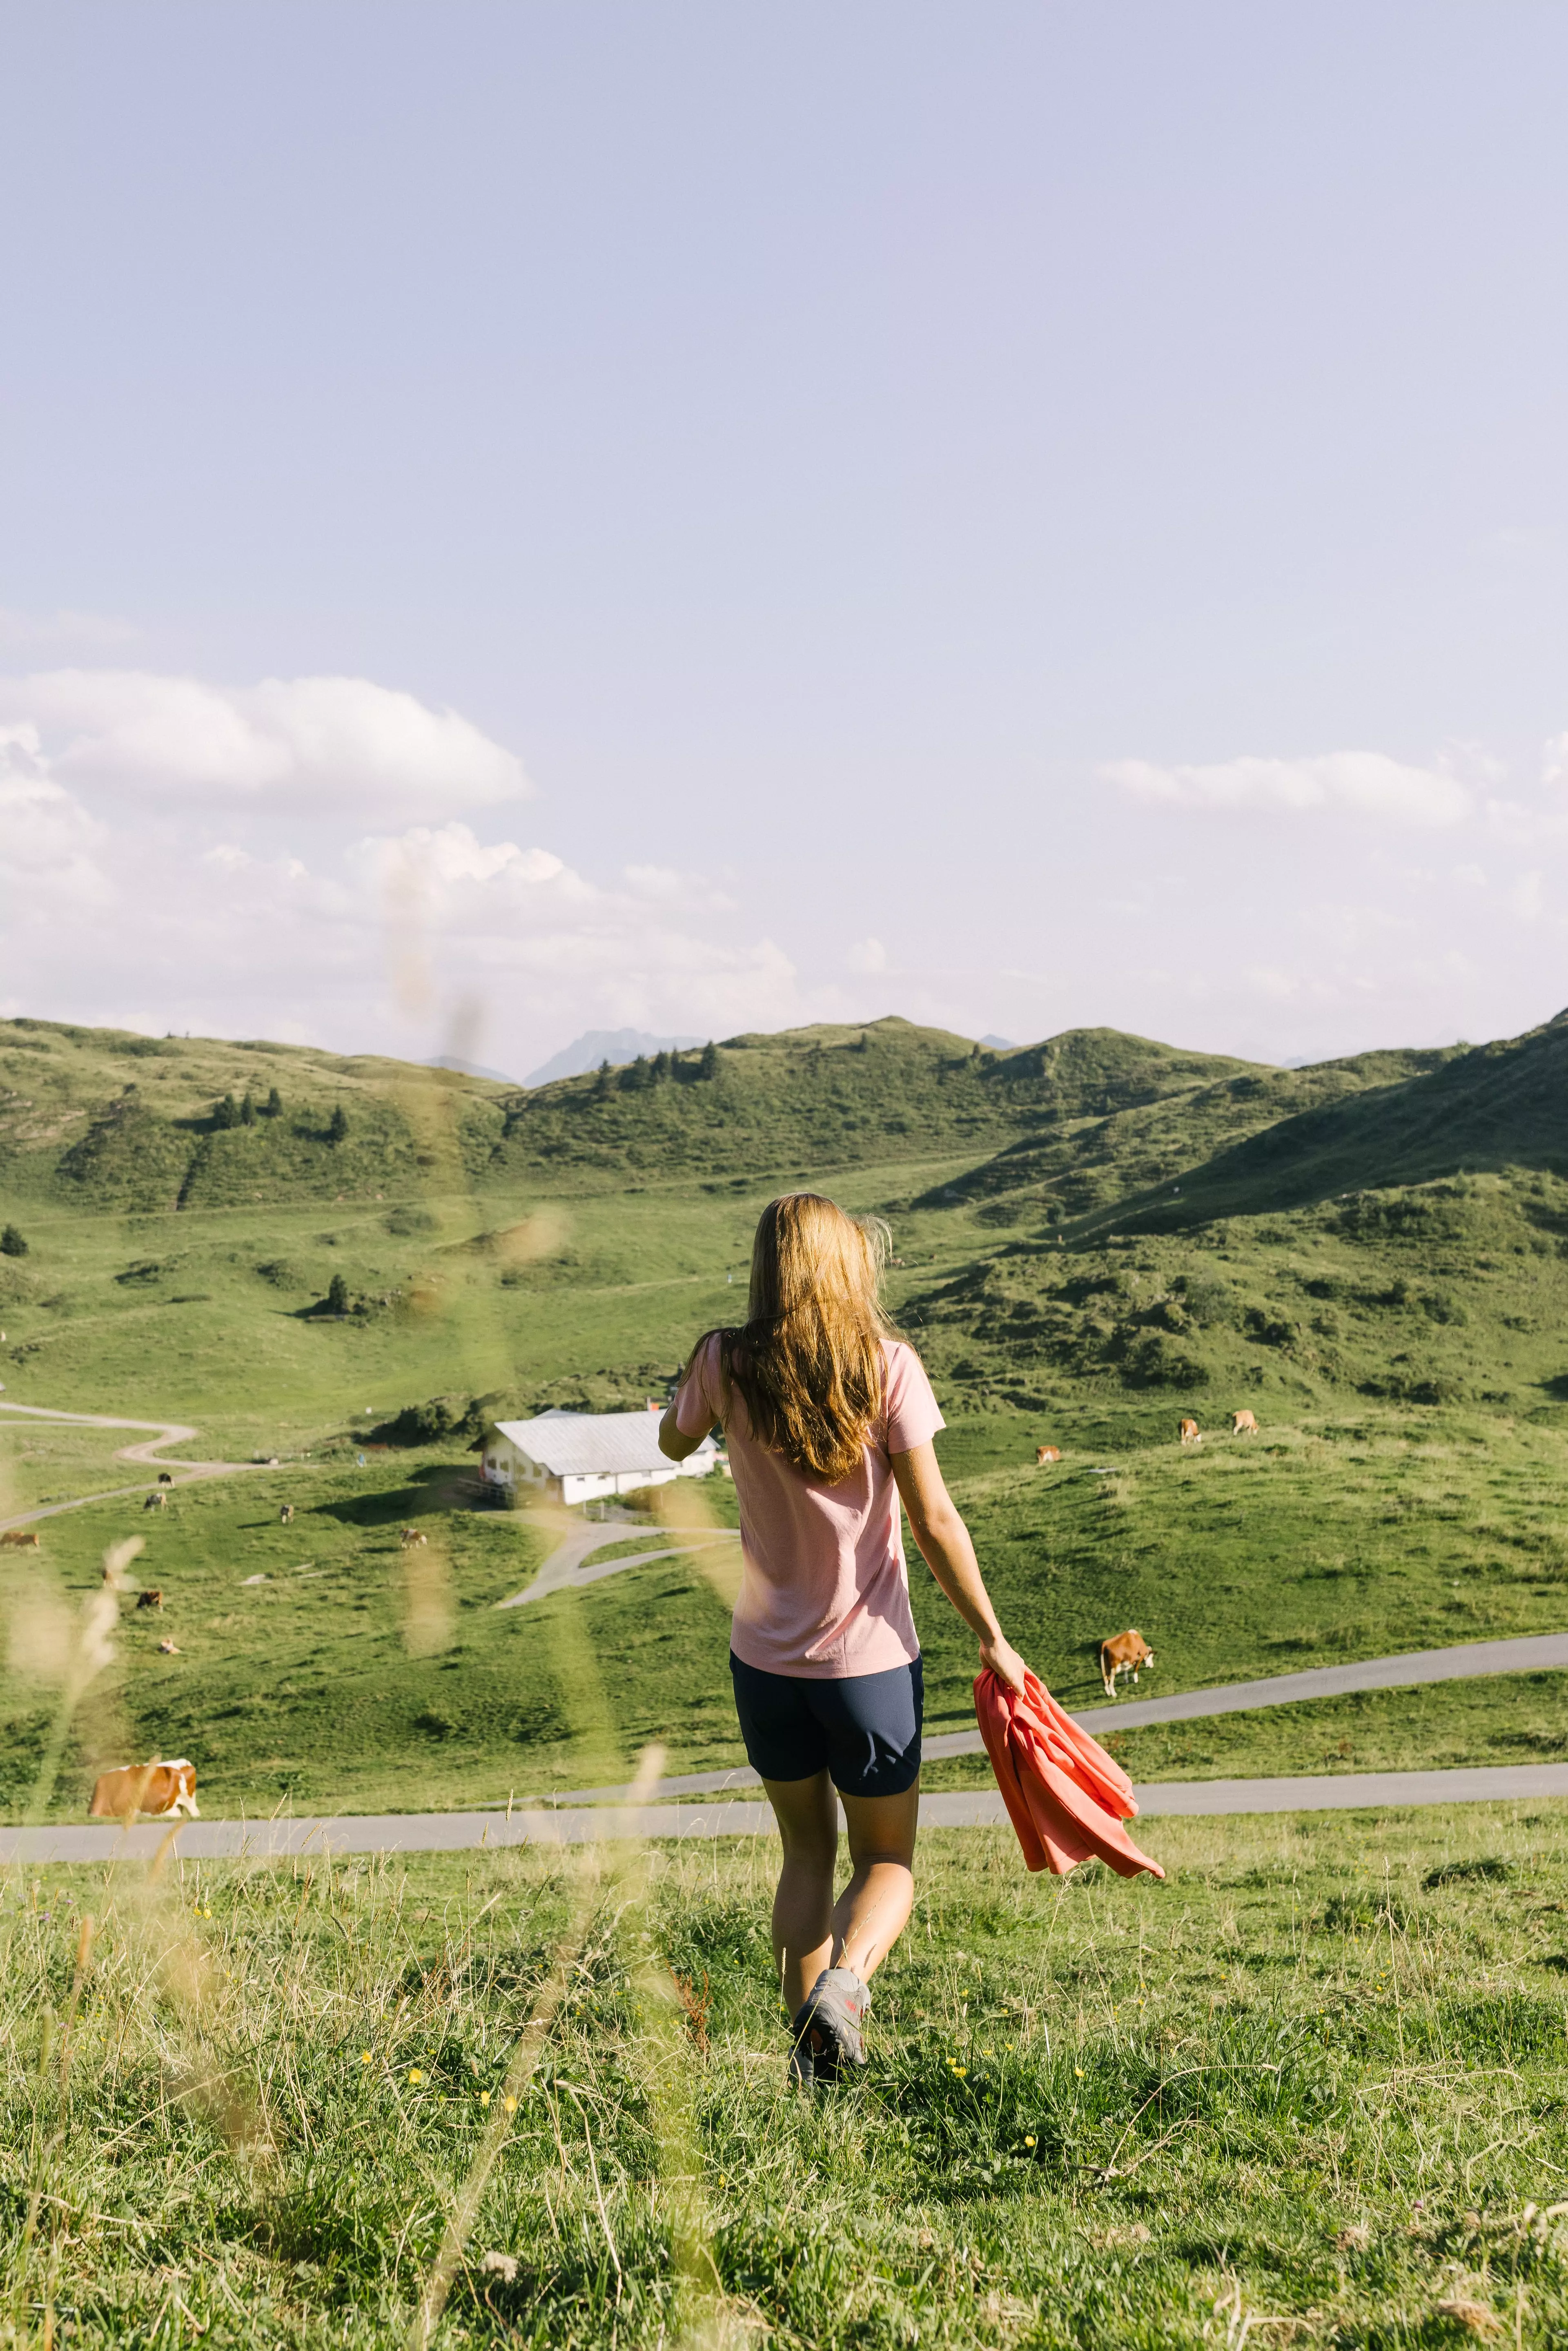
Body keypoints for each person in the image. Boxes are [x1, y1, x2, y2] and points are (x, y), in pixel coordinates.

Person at [659, 1191, 1031, 2085]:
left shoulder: (722, 1360)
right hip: (868, 1667)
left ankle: (810, 2061)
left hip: (765, 1667)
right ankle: (845, 1990)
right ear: (848, 1264)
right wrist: (994, 1637)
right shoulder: (888, 1367)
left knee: (805, 1855)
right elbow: (936, 1520)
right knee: (886, 1859)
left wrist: (700, 1387)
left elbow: (673, 1445)